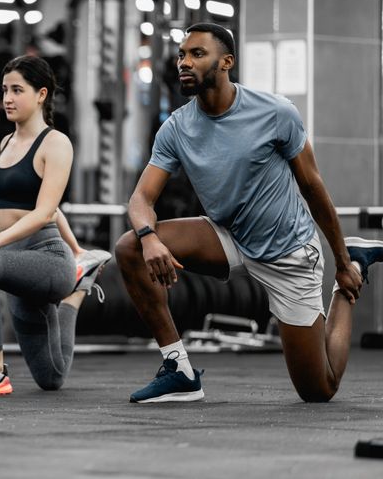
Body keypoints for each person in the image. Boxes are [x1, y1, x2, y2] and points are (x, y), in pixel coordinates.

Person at [115, 22, 383, 403]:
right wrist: (149, 238)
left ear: (227, 62)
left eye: (196, 54)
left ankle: (352, 271)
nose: (184, 62)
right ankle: (179, 370)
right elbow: (141, 198)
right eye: (181, 55)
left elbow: (313, 188)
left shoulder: (275, 112)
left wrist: (339, 259)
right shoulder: (175, 128)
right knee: (129, 248)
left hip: (287, 249)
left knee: (319, 389)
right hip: (229, 235)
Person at [0, 55, 111, 395]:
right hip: (20, 267)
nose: (7, 98)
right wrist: (80, 250)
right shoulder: (5, 143)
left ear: (41, 94)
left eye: (17, 90)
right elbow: (50, 208)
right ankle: (77, 292)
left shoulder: (56, 143)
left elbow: (44, 213)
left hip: (48, 260)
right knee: (51, 378)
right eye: (5, 90)